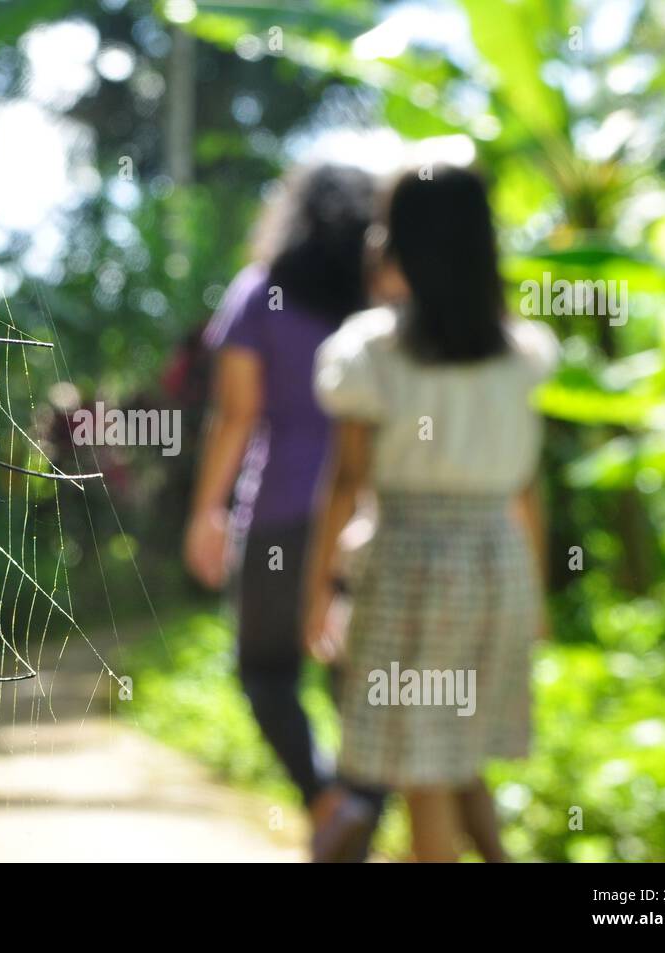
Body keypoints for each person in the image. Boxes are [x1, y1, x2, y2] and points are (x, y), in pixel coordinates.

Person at [304, 165, 557, 862]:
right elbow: (528, 489)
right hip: (498, 565)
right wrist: (535, 597)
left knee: (423, 770)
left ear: (401, 242)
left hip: (410, 565)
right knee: (454, 753)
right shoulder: (523, 353)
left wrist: (319, 593)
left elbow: (346, 484)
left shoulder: (370, 351)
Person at [183, 163, 382, 861]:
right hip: (370, 522)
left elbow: (236, 415)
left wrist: (205, 509)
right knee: (361, 689)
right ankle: (353, 812)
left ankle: (325, 800)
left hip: (277, 517)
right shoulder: (381, 302)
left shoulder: (260, 292)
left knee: (266, 671)